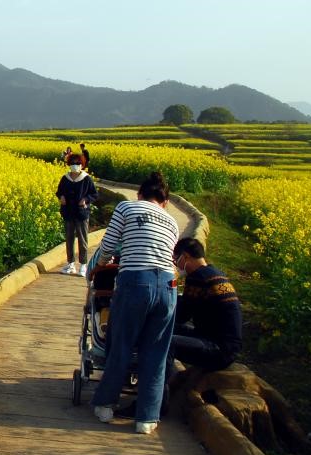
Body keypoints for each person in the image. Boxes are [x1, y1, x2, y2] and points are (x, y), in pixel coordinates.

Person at [89, 171, 179, 435]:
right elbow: (168, 257)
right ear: (164, 201)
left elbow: (108, 244)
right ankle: (147, 419)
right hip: (167, 286)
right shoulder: (172, 221)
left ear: (140, 194)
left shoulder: (126, 207)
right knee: (156, 352)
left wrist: (100, 265)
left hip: (135, 282)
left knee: (121, 344)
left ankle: (106, 405)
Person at [170, 236, 242, 373]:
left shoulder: (198, 278)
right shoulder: (214, 273)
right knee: (170, 329)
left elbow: (182, 314)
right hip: (228, 346)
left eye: (176, 260)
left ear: (185, 256)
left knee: (166, 342)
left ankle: (161, 390)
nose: (176, 265)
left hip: (218, 349)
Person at [56, 155, 97, 276]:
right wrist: (61, 197)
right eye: (72, 163)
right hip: (68, 212)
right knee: (69, 239)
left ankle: (83, 265)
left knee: (82, 239)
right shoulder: (65, 178)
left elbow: (94, 194)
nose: (75, 165)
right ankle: (71, 264)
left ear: (82, 164)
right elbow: (59, 191)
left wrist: (86, 199)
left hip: (81, 213)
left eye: (77, 163)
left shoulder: (86, 179)